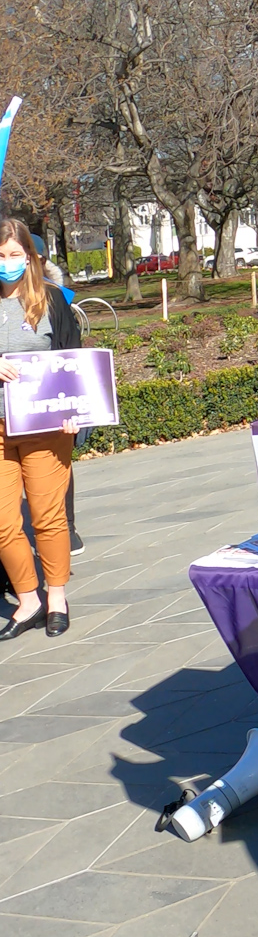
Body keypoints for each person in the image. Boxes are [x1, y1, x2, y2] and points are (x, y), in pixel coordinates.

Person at [0, 219, 81, 640]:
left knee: (48, 516)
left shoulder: (50, 300)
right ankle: (27, 599)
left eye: (15, 255)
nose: (7, 263)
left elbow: (74, 361)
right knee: (2, 522)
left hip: (46, 425)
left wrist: (75, 411)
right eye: (0, 255)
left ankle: (55, 597)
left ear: (30, 258)